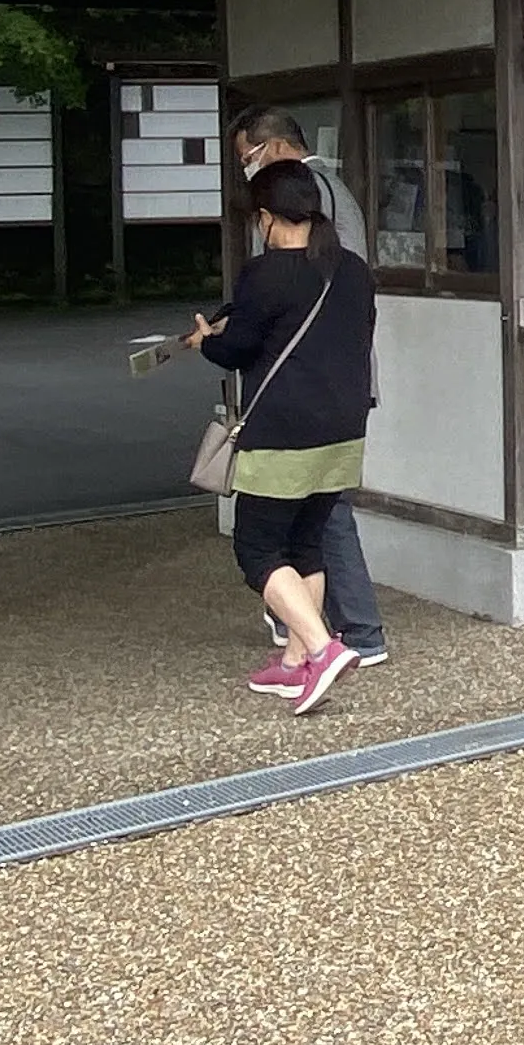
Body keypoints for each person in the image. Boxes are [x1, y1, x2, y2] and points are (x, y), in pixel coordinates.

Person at [186, 160, 378, 713]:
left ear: (267, 218)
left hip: (284, 430)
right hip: (344, 426)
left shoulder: (265, 274)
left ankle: (321, 650)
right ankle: (294, 665)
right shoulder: (353, 269)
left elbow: (238, 350)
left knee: (258, 549)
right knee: (306, 543)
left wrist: (207, 341)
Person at [229, 106, 390, 668]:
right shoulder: (339, 205)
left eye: (246, 158)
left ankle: (346, 637)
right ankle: (301, 645)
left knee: (297, 529)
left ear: (273, 150)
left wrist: (234, 327)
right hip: (343, 390)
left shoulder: (304, 202)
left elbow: (268, 318)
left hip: (299, 397)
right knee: (312, 526)